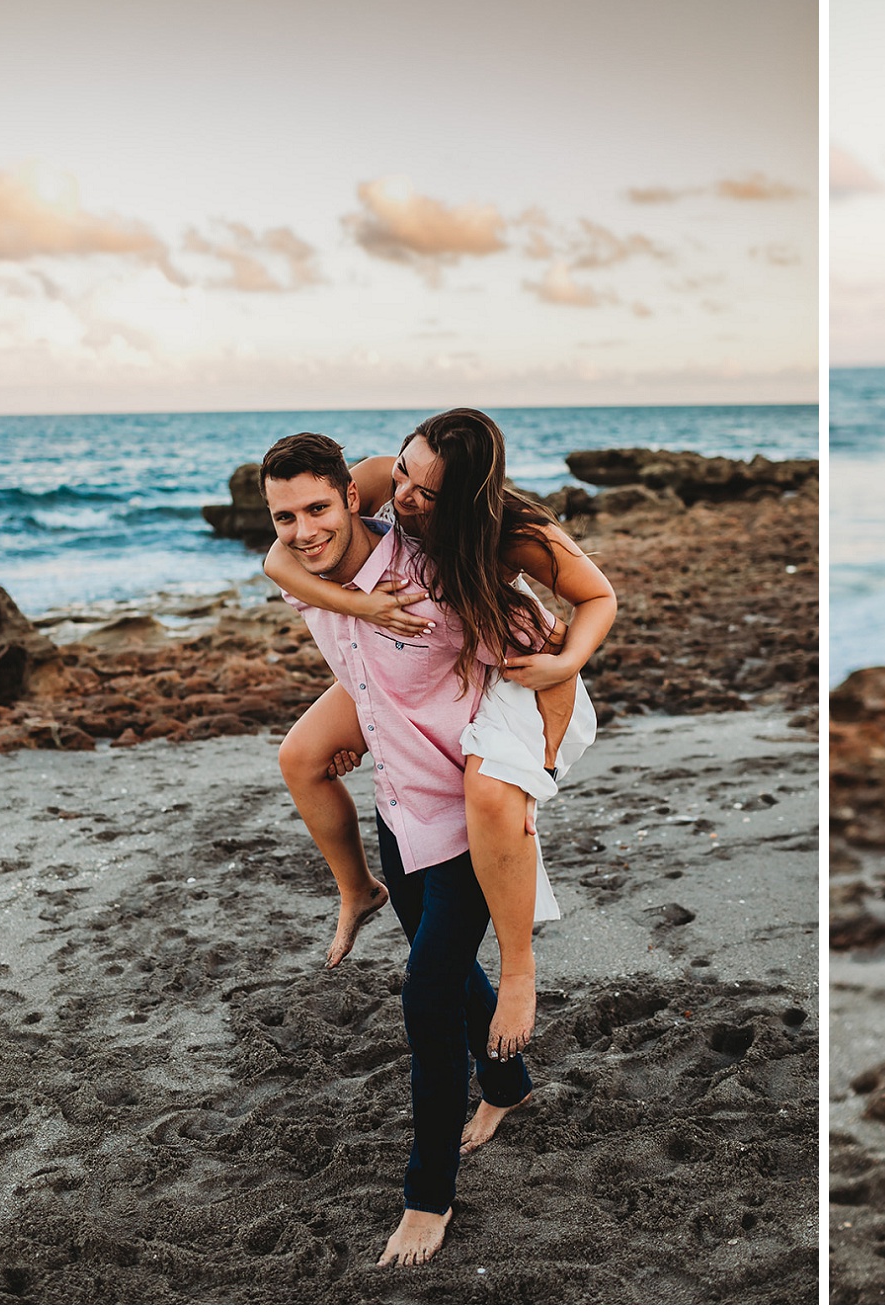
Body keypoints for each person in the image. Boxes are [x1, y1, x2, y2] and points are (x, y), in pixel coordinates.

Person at [258, 421, 609, 1268]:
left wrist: (538, 771)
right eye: (284, 516)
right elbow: (298, 581)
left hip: (466, 820)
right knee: (437, 960)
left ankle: (428, 1193)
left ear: (351, 494)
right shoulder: (308, 573)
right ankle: (509, 1084)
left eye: (317, 508)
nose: (304, 530)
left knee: (426, 993)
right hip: (398, 806)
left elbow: (550, 652)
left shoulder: (444, 581)